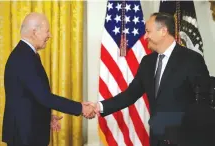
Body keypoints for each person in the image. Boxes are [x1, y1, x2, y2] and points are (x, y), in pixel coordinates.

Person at [85, 12, 210, 146]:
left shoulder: (191, 59)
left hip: (185, 140)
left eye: (148, 31)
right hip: (156, 139)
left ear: (163, 31)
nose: (145, 36)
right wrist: (99, 106)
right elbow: (130, 94)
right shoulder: (147, 62)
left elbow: (204, 101)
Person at [2, 12, 95, 146]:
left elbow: (29, 96)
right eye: (47, 31)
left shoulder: (26, 54)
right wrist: (80, 108)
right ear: (34, 32)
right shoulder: (24, 58)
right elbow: (45, 97)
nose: (49, 35)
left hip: (27, 132)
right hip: (24, 136)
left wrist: (46, 117)